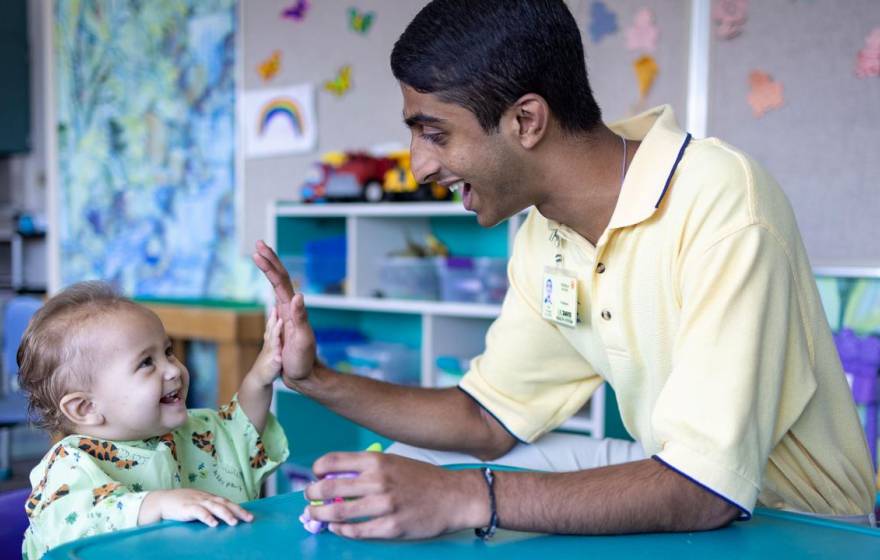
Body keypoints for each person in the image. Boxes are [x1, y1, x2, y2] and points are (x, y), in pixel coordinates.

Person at [253, 0, 875, 540]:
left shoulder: (722, 202)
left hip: (792, 524)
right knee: (419, 461)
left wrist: (471, 498)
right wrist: (315, 380)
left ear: (526, 121)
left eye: (434, 134)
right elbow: (486, 421)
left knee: (457, 488)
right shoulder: (545, 233)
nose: (418, 166)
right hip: (691, 484)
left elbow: (705, 487)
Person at [19, 281, 289, 558]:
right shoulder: (69, 464)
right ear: (86, 407)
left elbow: (241, 430)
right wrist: (155, 504)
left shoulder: (190, 431)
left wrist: (261, 375)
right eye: (146, 362)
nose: (173, 369)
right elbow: (67, 525)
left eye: (168, 351)